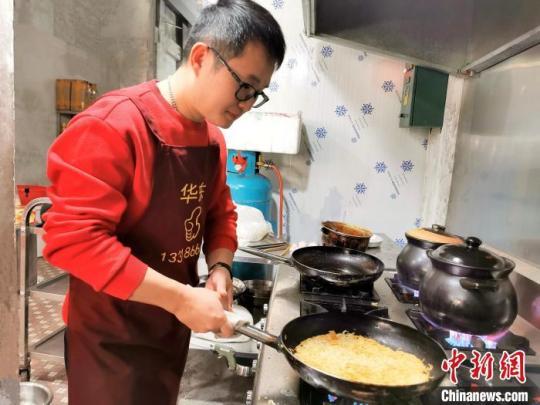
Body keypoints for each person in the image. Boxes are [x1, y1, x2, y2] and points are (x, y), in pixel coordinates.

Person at [42, 1, 285, 403]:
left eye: (256, 94)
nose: (246, 104)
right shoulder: (114, 125)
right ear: (201, 57)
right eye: (244, 85)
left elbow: (219, 213)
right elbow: (75, 241)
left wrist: (220, 266)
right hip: (110, 343)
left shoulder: (211, 140)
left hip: (169, 331)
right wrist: (183, 298)